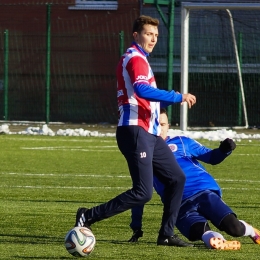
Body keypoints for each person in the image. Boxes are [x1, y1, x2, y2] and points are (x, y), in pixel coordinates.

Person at [74, 15, 196, 247]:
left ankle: (166, 235)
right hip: (135, 131)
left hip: (148, 133)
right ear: (136, 35)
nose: (153, 39)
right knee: (143, 192)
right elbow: (141, 90)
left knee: (177, 178)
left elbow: (145, 96)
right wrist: (177, 96)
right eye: (149, 34)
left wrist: (162, 111)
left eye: (156, 36)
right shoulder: (135, 58)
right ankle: (88, 215)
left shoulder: (142, 59)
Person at [128, 108, 260, 250]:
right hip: (177, 206)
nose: (159, 129)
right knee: (202, 232)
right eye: (156, 124)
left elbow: (211, 157)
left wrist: (224, 150)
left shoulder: (182, 142)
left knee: (235, 229)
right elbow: (140, 192)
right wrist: (136, 226)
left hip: (202, 192)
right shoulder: (143, 155)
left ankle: (251, 231)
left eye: (163, 124)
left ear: (168, 126)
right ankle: (218, 241)